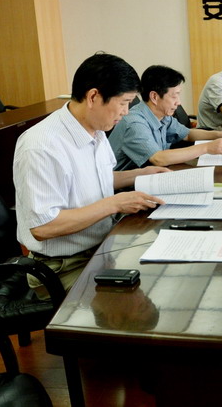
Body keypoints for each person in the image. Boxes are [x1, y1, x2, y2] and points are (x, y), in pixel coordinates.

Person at [14, 52, 168, 296]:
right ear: (93, 96)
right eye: (124, 103)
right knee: (137, 296)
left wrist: (142, 173)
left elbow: (98, 179)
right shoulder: (41, 146)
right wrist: (115, 203)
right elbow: (43, 226)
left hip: (101, 245)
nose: (126, 112)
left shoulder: (95, 130)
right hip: (62, 267)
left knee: (163, 267)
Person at [109, 65, 222, 170]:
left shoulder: (162, 115)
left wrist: (219, 134)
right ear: (154, 97)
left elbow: (187, 134)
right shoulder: (134, 123)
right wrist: (207, 147)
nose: (178, 102)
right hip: (122, 189)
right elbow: (158, 158)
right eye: (174, 96)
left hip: (149, 176)